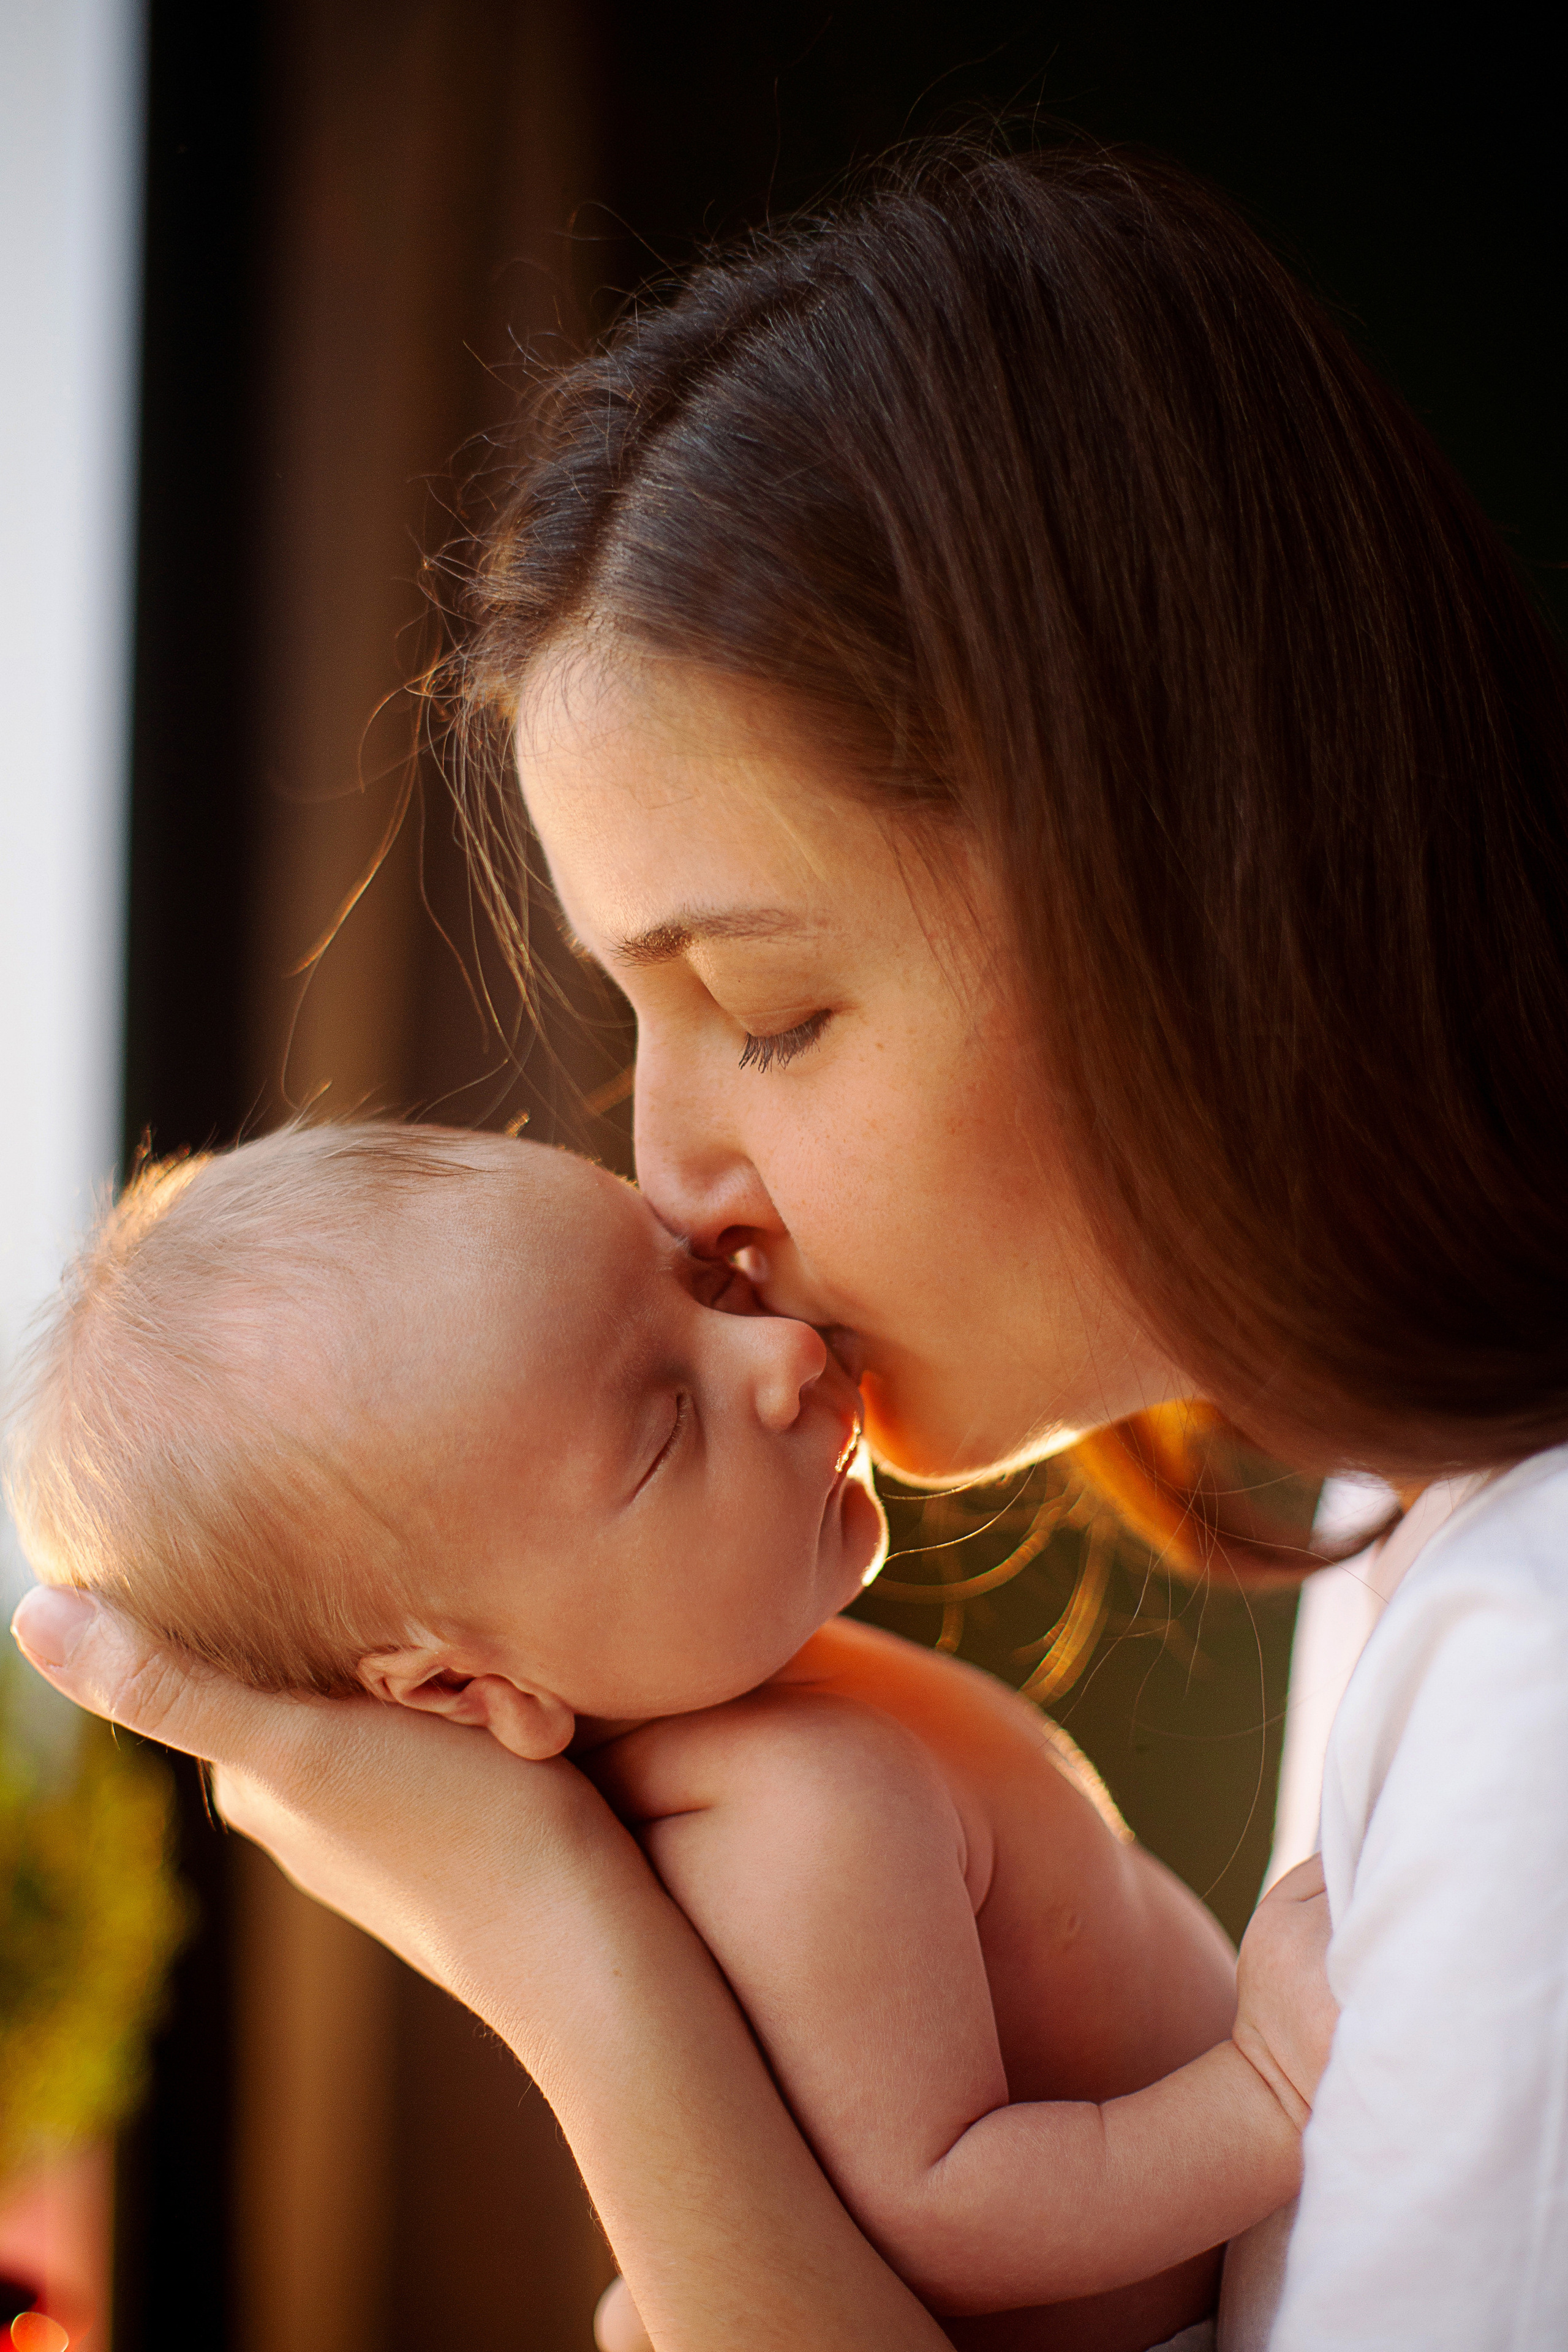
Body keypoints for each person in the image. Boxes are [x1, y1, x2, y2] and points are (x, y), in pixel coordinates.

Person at [12, 140, 1568, 2348]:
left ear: (1186, 891)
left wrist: (567, 1957)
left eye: (767, 1010)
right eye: (638, 1024)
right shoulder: (1407, 1514)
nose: (673, 1185)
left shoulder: (1538, 1669)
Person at [7, 1121, 1329, 2352]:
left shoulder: (753, 1689)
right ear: (468, 1690)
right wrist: (1263, 2095)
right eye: (662, 1424)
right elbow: (949, 2205)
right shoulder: (792, 1816)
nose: (783, 1354)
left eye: (699, 1284)